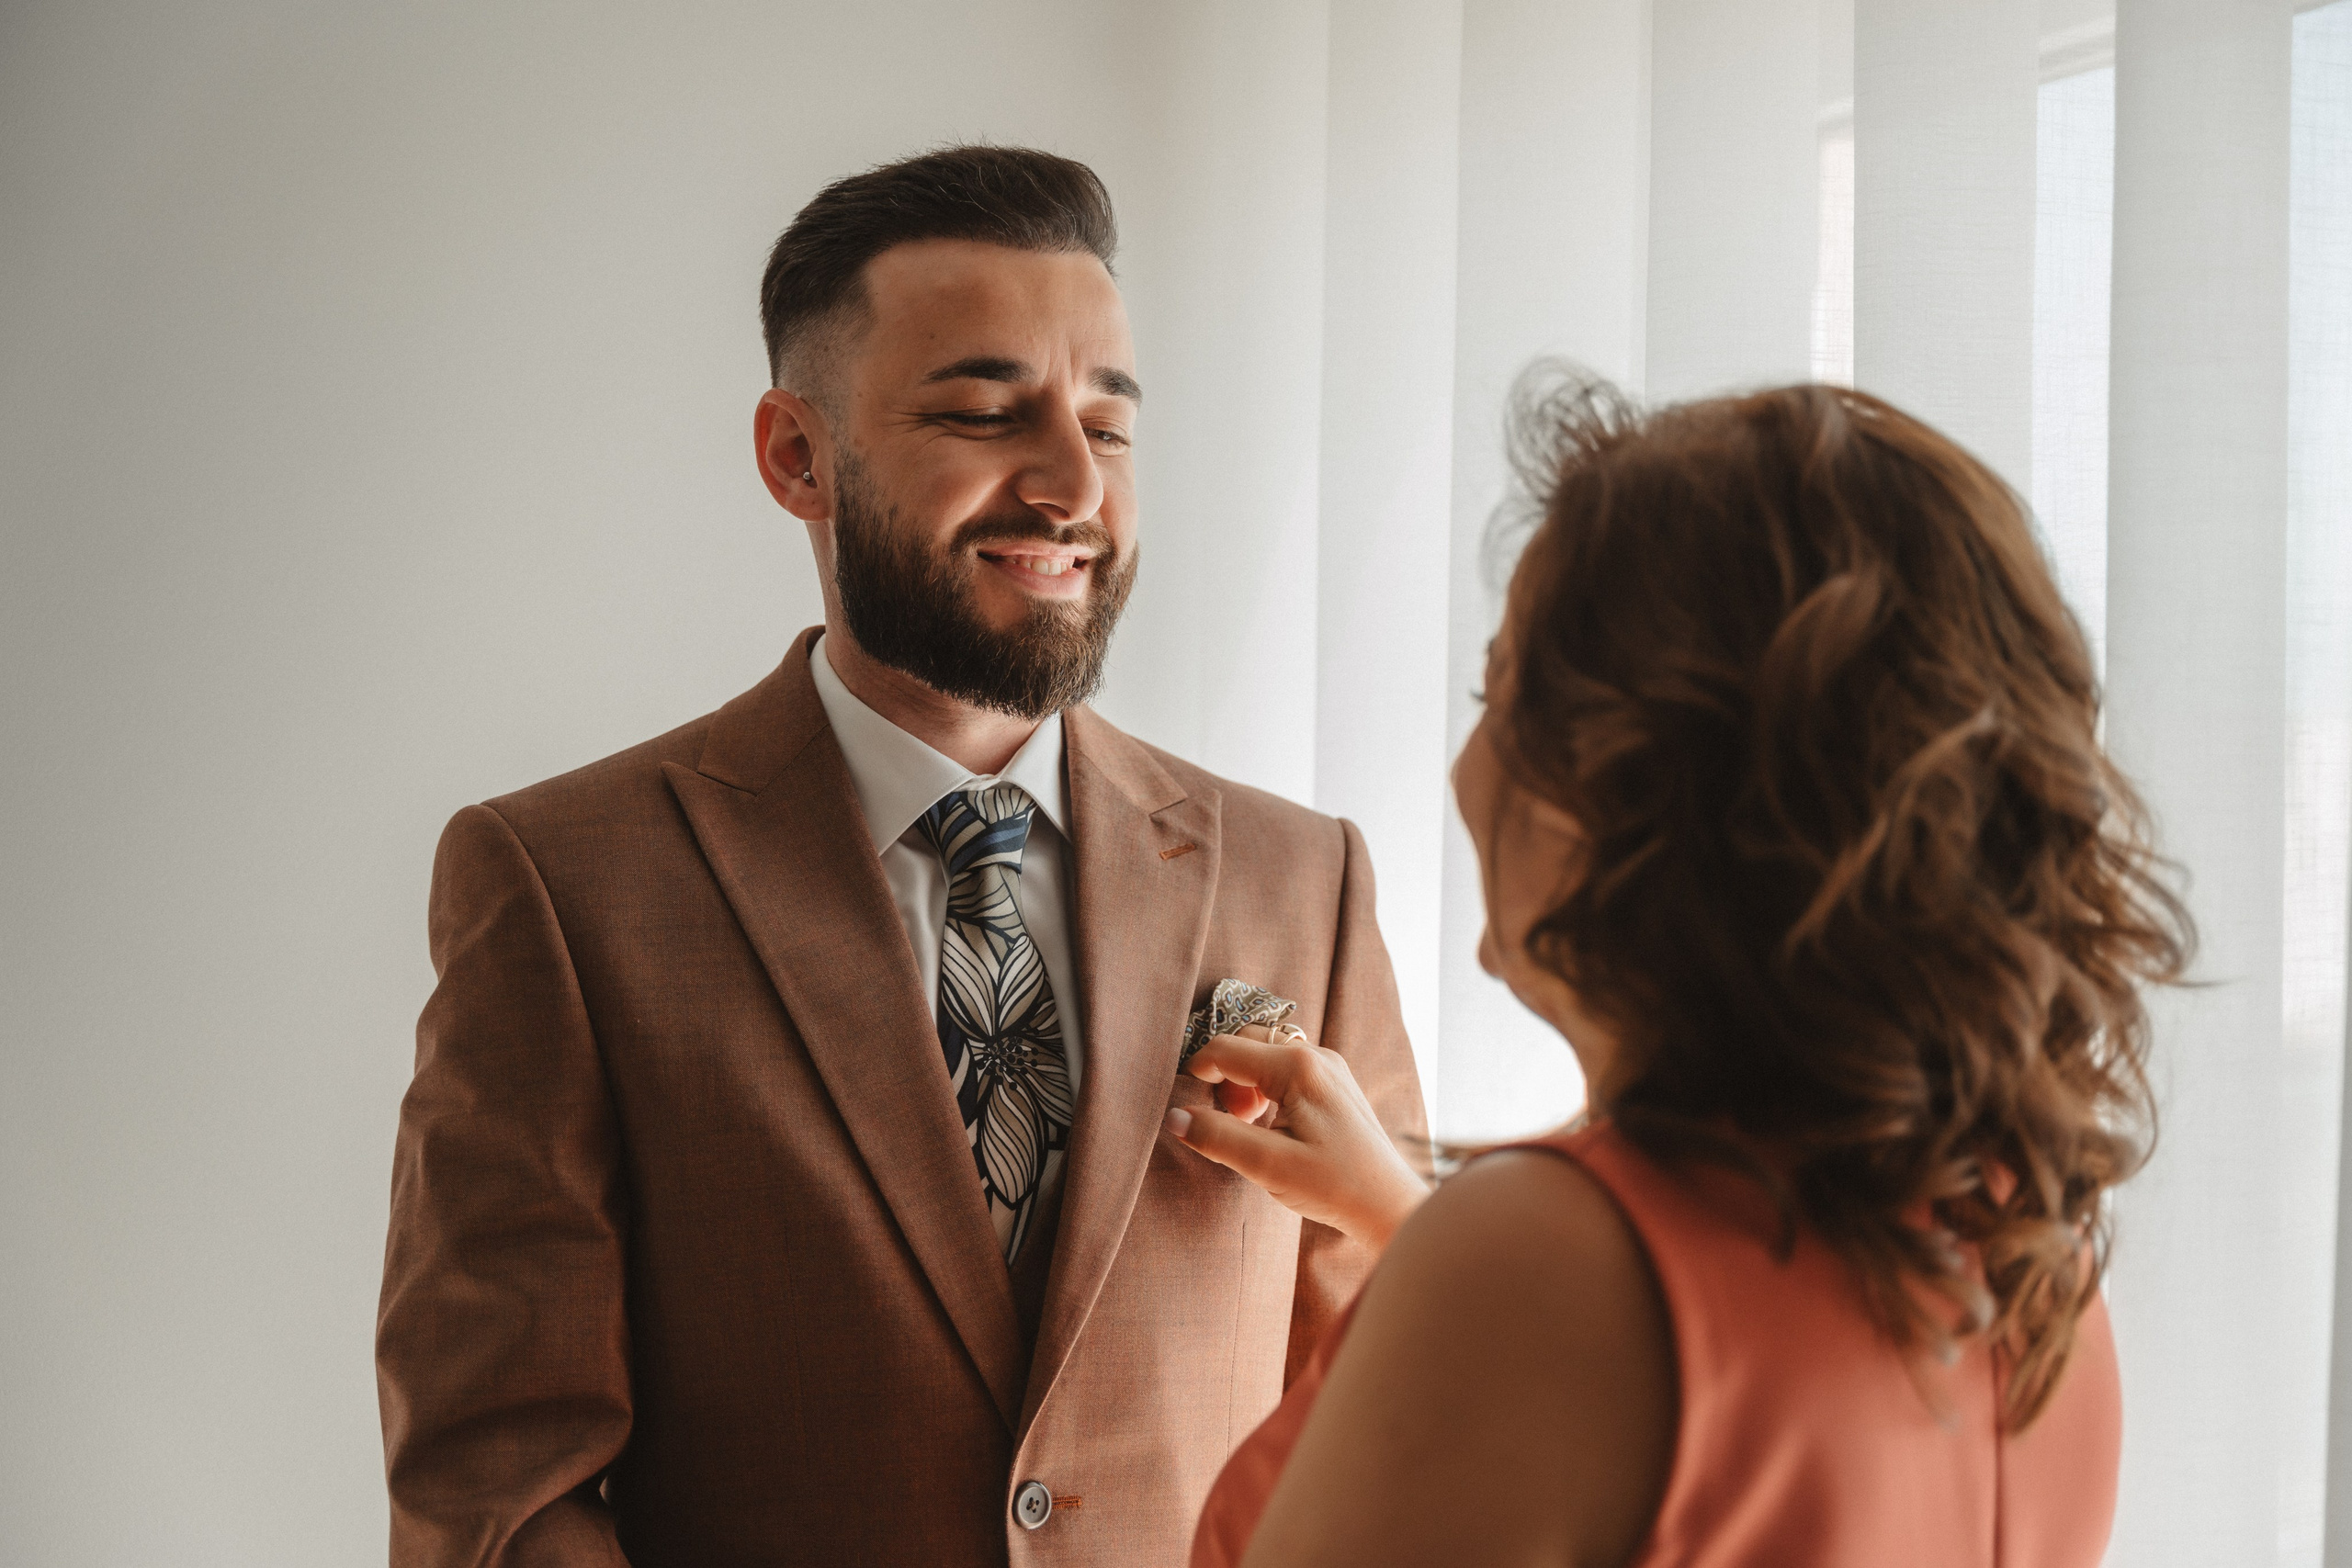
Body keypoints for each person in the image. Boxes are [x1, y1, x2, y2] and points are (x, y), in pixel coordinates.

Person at [374, 144, 1426, 1568]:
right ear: (797, 457)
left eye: (1110, 430)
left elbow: (1406, 1414)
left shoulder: (1310, 881)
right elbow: (497, 1494)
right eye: (990, 414)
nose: (1070, 485)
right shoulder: (565, 886)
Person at [1168, 376, 2189, 1567]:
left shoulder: (1537, 1268)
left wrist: (1461, 1261)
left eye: (1501, 692)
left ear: (1649, 781)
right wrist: (1410, 1229)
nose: (1462, 767)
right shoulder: (2030, 1261)